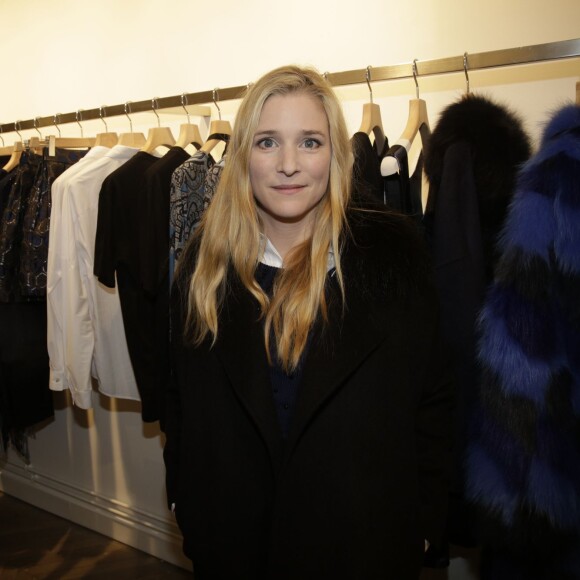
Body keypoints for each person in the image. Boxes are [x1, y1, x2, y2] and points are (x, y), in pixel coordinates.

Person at [163, 65, 454, 580]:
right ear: (242, 157)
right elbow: (181, 407)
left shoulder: (392, 259)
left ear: (336, 154)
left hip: (362, 548)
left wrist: (427, 519)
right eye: (268, 142)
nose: (290, 165)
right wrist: (186, 504)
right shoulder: (202, 268)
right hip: (237, 546)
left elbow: (432, 399)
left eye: (311, 142)